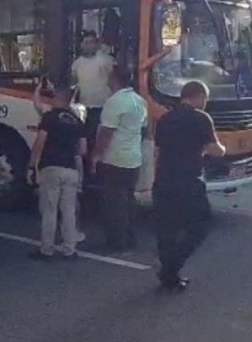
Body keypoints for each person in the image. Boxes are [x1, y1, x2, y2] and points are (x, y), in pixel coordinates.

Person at [154, 81, 225, 291]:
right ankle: (171, 267)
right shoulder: (201, 118)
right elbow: (215, 150)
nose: (205, 103)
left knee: (167, 228)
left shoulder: (164, 119)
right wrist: (222, 147)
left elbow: (158, 152)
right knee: (201, 225)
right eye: (205, 99)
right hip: (189, 181)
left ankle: (169, 275)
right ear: (198, 96)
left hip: (164, 179)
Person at [91, 66, 147, 252]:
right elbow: (145, 127)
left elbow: (106, 132)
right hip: (133, 158)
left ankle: (116, 242)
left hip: (115, 159)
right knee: (128, 201)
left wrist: (96, 155)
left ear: (115, 80)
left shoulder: (114, 102)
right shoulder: (139, 101)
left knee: (114, 204)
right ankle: (130, 238)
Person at [27, 85, 86, 260]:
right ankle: (69, 249)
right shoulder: (77, 121)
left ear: (58, 98)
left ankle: (47, 249)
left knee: (49, 210)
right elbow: (82, 150)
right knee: (69, 211)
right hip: (71, 169)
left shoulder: (49, 118)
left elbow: (40, 142)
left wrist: (31, 165)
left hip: (51, 167)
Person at [71, 31, 114, 148]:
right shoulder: (77, 64)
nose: (88, 45)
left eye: (91, 42)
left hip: (102, 107)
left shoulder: (106, 60)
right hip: (83, 109)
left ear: (96, 44)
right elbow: (74, 83)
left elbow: (114, 80)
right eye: (85, 42)